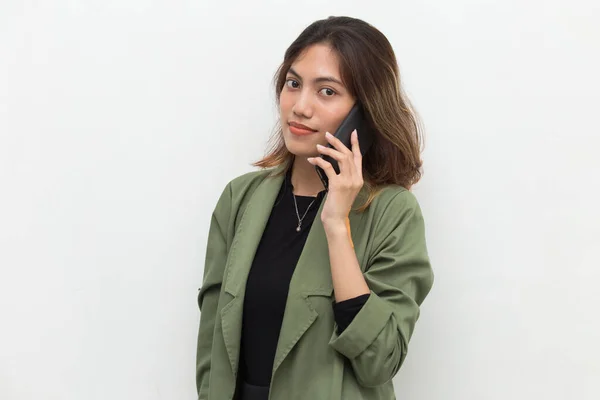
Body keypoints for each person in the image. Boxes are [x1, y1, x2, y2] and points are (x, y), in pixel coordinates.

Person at [195, 16, 434, 400]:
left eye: (327, 92)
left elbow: (379, 360)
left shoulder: (392, 212)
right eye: (293, 84)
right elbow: (212, 348)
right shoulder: (239, 199)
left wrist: (337, 224)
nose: (299, 107)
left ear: (365, 112)